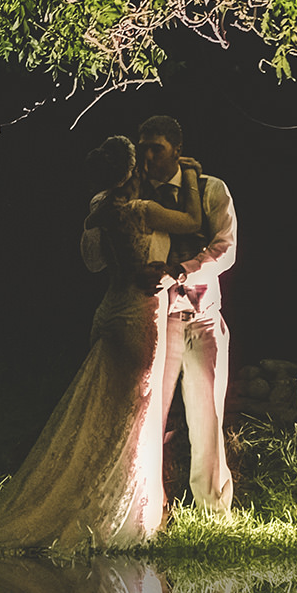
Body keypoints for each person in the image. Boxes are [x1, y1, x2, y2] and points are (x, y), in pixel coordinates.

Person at [0, 136, 204, 555]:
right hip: (138, 318)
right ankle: (120, 517)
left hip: (108, 312)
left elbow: (98, 261)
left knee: (102, 415)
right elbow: (194, 221)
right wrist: (193, 175)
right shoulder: (142, 212)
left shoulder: (101, 209)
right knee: (134, 416)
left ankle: (95, 504)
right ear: (132, 171)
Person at [81, 115, 237, 515]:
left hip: (204, 314)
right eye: (143, 146)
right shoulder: (135, 195)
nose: (148, 155)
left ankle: (214, 511)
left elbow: (225, 248)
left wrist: (179, 271)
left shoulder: (208, 189)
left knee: (209, 416)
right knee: (148, 417)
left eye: (157, 148)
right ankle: (146, 507)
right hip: (158, 319)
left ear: (177, 151)